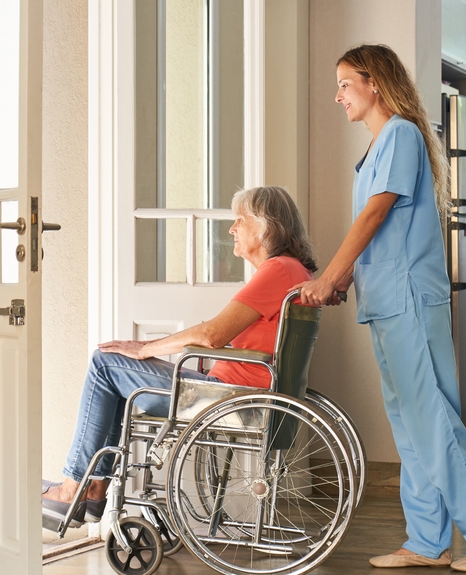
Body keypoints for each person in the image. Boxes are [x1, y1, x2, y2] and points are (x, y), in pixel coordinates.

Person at [295, 44, 466, 572]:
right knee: (411, 424)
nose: (337, 96)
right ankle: (426, 539)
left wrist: (330, 274)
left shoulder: (399, 134)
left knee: (430, 422)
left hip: (409, 302)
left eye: (345, 83)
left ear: (374, 82)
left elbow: (375, 216)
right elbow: (380, 235)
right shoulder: (379, 146)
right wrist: (342, 279)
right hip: (387, 301)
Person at [42, 186, 318, 526]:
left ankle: (76, 487)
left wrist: (143, 348)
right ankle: (93, 486)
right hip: (239, 394)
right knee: (116, 371)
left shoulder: (278, 271)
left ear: (264, 227)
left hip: (229, 399)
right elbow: (214, 333)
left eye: (239, 221)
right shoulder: (290, 271)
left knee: (105, 364)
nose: (232, 229)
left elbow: (212, 335)